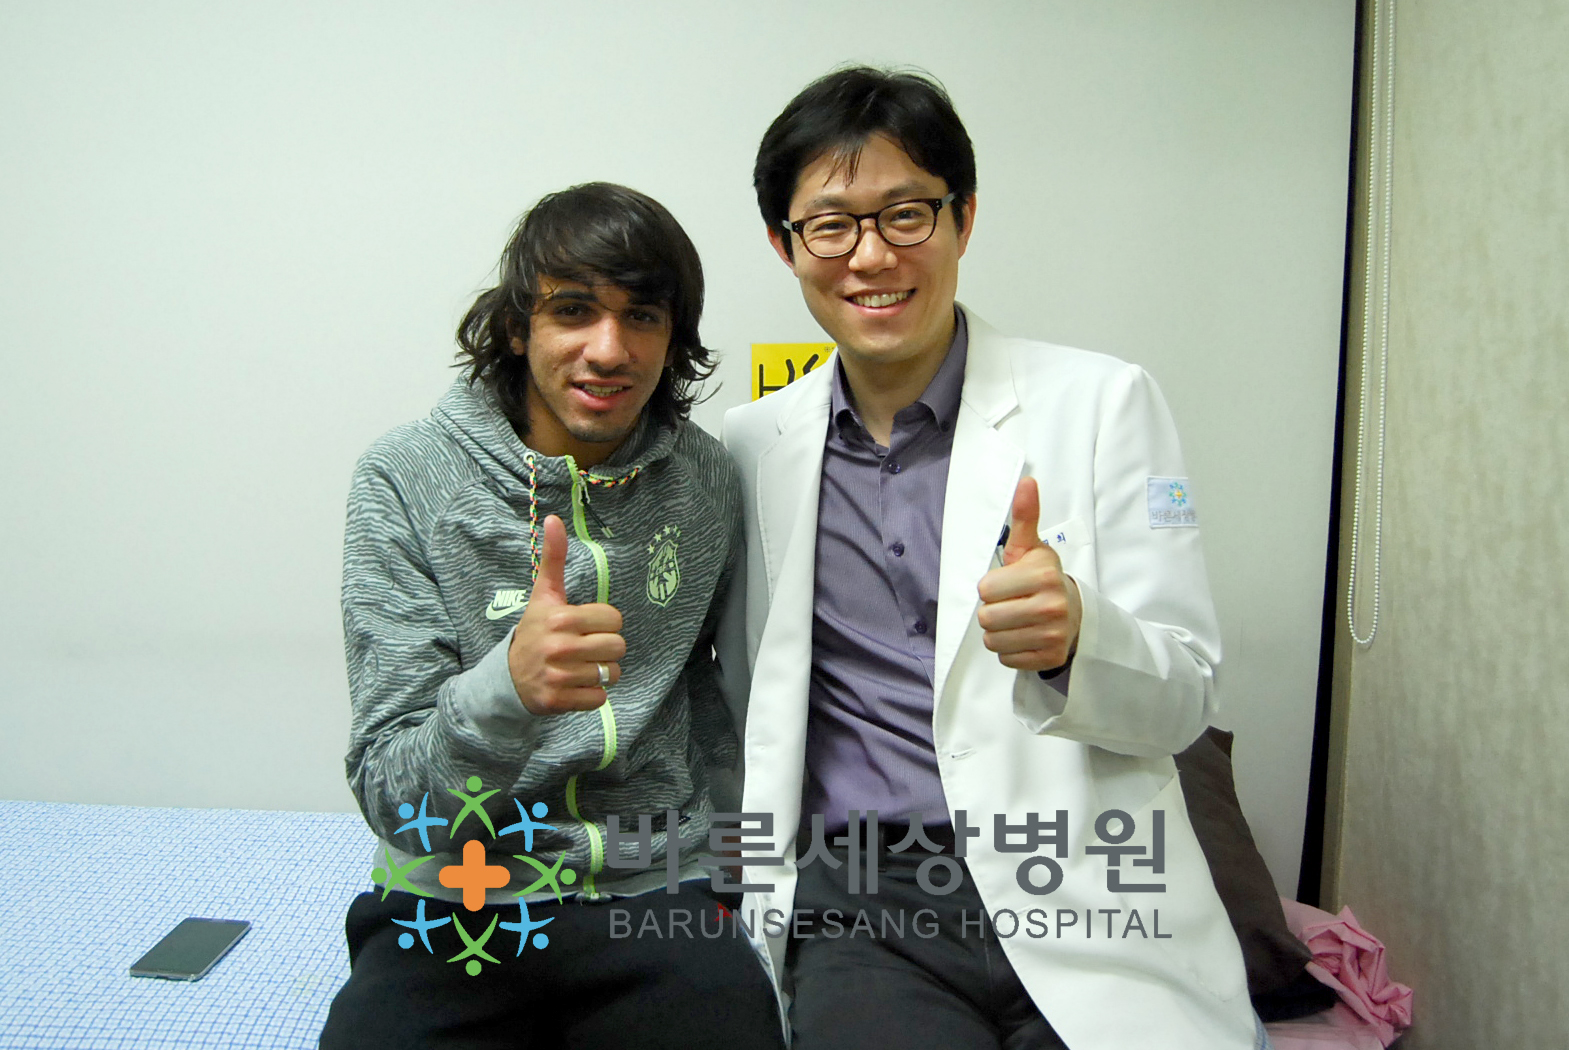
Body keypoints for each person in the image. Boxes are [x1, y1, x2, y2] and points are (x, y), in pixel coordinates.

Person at [720, 68, 1267, 1050]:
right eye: (831, 225)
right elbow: (738, 702)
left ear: (963, 218)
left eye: (906, 214)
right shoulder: (752, 446)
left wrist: (1077, 642)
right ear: (784, 245)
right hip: (867, 905)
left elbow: (1185, 697)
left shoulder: (1104, 405)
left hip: (1086, 880)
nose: (871, 255)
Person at [321, 182, 783, 1049]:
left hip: (655, 890)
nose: (608, 349)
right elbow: (390, 786)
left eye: (641, 316)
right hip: (459, 893)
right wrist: (503, 691)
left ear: (673, 339)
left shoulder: (706, 480)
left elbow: (708, 693)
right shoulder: (405, 479)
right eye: (573, 310)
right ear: (515, 326)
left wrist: (736, 872)